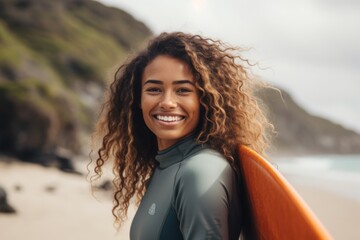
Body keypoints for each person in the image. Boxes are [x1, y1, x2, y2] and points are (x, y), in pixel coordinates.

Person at [91, 32, 272, 240]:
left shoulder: (198, 172)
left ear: (204, 99)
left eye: (183, 90)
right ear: (138, 99)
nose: (167, 102)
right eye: (154, 89)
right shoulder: (166, 165)